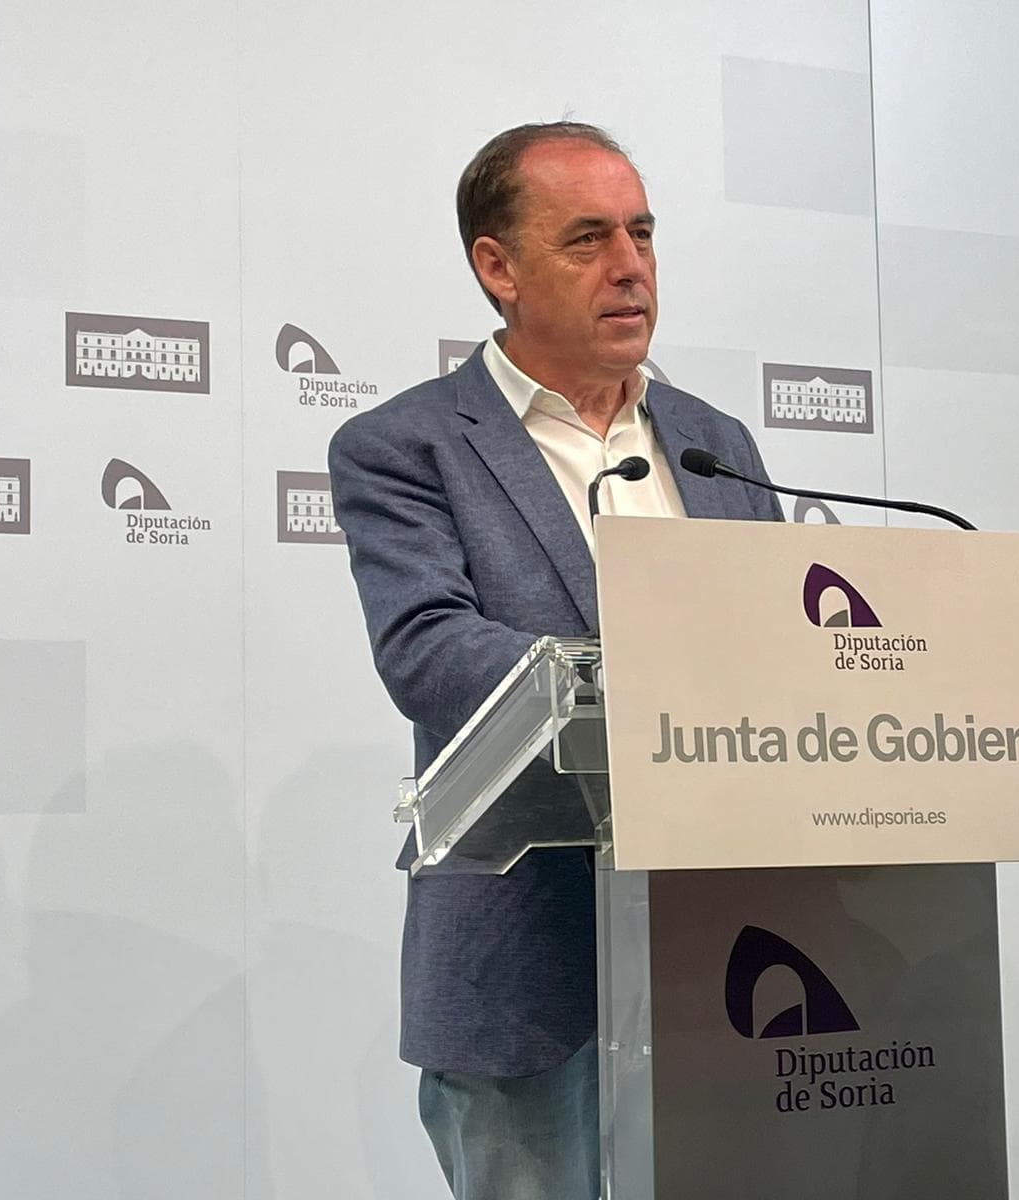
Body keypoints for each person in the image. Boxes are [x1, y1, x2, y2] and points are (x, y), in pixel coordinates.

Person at [327, 122, 782, 1199]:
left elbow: (778, 642)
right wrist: (646, 689)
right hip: (524, 951)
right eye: (587, 239)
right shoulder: (407, 446)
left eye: (641, 233)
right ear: (499, 268)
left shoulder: (714, 441)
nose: (629, 265)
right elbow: (428, 648)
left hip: (733, 943)